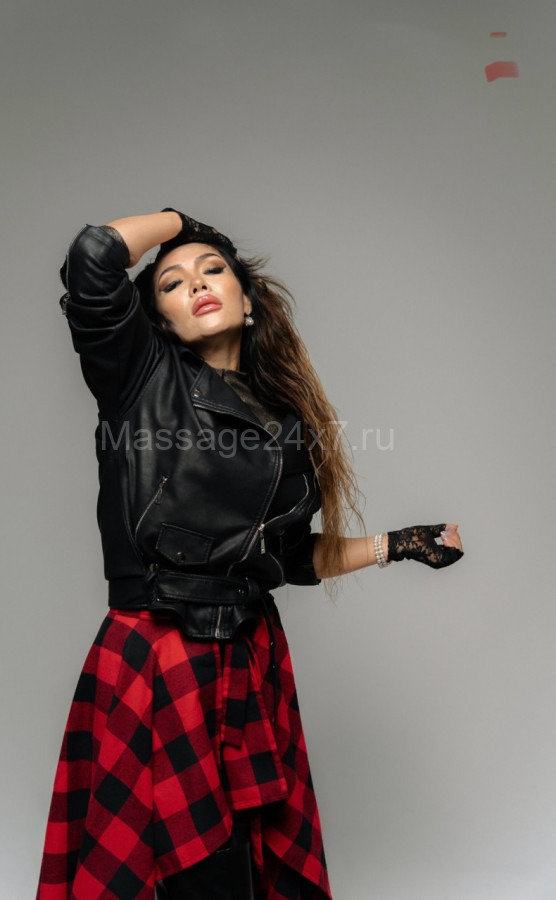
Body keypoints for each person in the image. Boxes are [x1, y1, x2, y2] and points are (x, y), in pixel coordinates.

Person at [36, 209, 464, 900]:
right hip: (159, 652)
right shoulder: (139, 376)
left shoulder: (286, 426)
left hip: (247, 653)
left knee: (241, 861)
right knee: (172, 865)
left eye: (213, 269)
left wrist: (399, 545)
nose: (196, 282)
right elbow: (93, 255)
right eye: (172, 282)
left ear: (247, 300)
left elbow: (289, 558)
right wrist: (182, 223)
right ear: (160, 319)